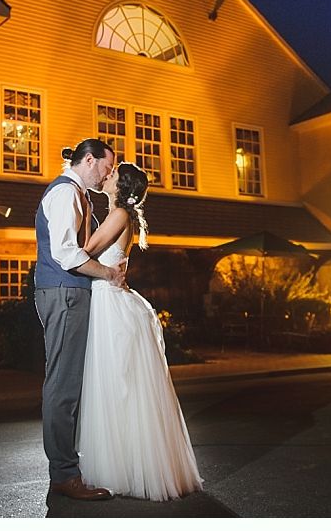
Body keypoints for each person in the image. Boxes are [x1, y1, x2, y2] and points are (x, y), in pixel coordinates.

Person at [77, 162, 204, 501]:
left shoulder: (119, 215)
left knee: (117, 387)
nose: (107, 175)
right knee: (118, 387)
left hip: (109, 304)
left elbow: (83, 252)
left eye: (114, 174)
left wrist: (79, 217)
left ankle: (125, 469)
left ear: (121, 187)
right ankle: (125, 465)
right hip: (109, 299)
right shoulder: (120, 215)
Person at [34, 138, 125, 501]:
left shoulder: (79, 195)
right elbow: (66, 253)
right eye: (107, 166)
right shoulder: (65, 193)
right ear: (89, 160)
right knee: (64, 384)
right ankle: (64, 475)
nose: (108, 174)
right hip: (65, 293)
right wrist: (107, 273)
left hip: (68, 292)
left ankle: (68, 468)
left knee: (70, 382)